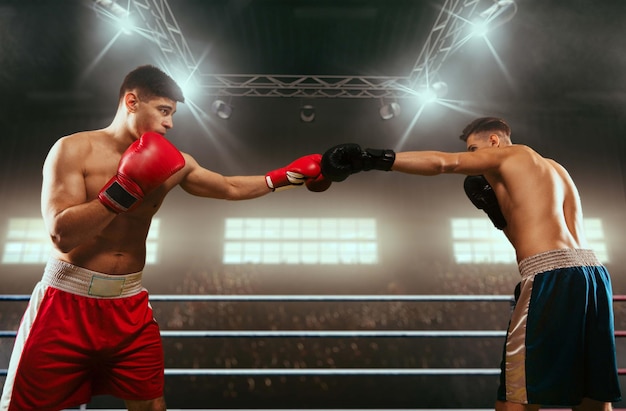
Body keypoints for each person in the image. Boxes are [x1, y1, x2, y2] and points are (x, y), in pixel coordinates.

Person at [0, 64, 330, 411]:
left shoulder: (176, 164)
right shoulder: (73, 150)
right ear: (131, 102)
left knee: (152, 407)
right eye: (163, 111)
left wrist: (284, 176)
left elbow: (229, 187)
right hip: (66, 301)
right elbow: (61, 235)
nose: (170, 123)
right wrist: (124, 191)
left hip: (128, 305)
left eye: (172, 113)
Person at [320, 117, 622, 411]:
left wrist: (369, 159)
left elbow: (443, 163)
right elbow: (533, 234)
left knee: (515, 396)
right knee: (593, 395)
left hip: (550, 275)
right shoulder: (556, 170)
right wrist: (498, 216)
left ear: (493, 140)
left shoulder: (511, 155)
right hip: (594, 277)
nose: (471, 158)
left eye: (473, 150)